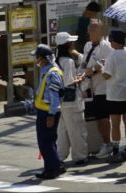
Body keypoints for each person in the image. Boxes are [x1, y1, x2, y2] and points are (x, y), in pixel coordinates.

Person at [79, 19, 114, 159]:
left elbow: (105, 63)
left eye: (94, 29)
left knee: (103, 118)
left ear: (101, 31)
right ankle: (97, 144)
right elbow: (84, 63)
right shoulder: (88, 45)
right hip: (88, 88)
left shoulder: (106, 46)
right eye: (90, 28)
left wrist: (91, 70)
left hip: (102, 88)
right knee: (93, 118)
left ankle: (108, 143)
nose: (91, 32)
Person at [103, 29, 126, 161]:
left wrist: (100, 68)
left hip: (115, 94)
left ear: (114, 42)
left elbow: (107, 75)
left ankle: (116, 150)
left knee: (115, 123)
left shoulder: (112, 56)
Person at [54, 31, 87, 166]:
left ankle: (60, 156)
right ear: (67, 44)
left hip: (60, 101)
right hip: (72, 100)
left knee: (62, 131)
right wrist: (79, 79)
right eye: (71, 42)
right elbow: (68, 82)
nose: (73, 44)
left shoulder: (56, 61)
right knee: (77, 129)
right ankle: (79, 156)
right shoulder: (68, 62)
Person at [32, 44, 65, 179]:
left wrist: (51, 115)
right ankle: (52, 167)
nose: (37, 60)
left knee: (45, 142)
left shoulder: (53, 73)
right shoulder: (46, 70)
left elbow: (54, 96)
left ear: (45, 58)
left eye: (38, 57)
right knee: (48, 141)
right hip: (44, 111)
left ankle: (53, 169)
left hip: (48, 112)